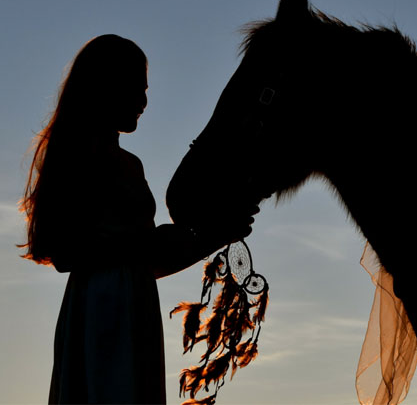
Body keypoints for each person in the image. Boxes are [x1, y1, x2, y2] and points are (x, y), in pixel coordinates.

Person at [19, 34, 256, 404]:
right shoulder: (74, 156)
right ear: (104, 87)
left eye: (145, 91)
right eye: (134, 89)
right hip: (98, 311)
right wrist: (149, 243)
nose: (144, 102)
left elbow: (149, 262)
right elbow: (63, 250)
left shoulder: (132, 164)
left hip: (135, 306)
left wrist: (216, 234)